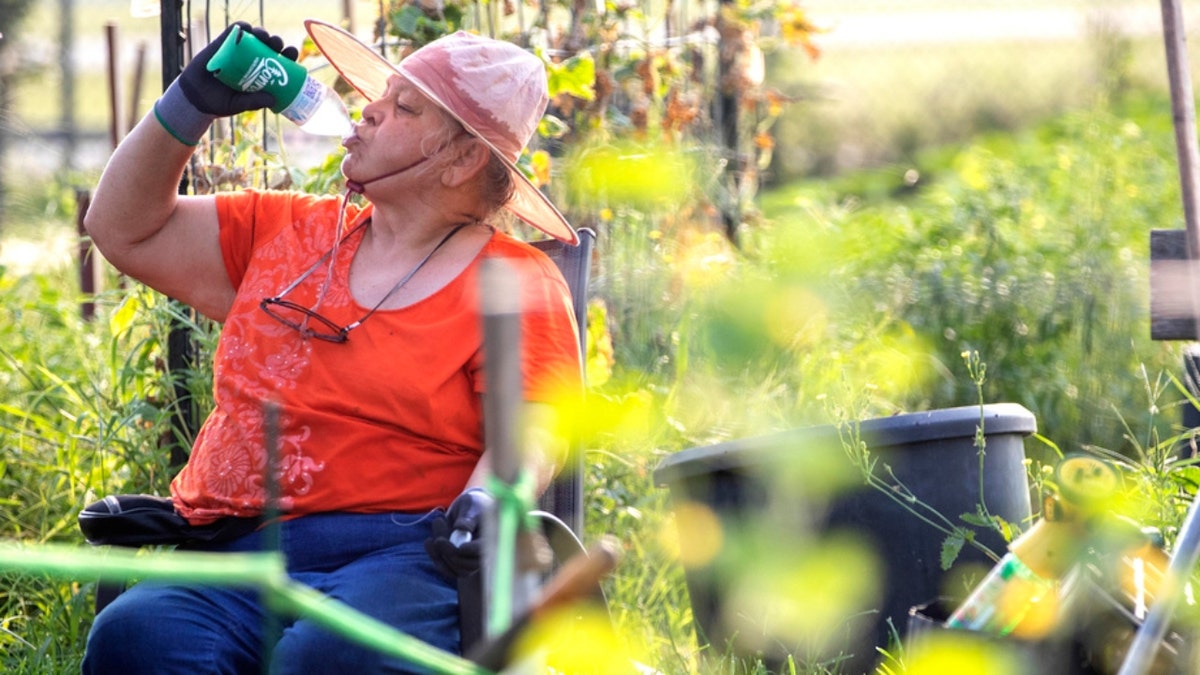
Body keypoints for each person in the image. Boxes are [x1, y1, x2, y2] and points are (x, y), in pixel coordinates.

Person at [81, 19, 582, 674]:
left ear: (462, 159)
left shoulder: (512, 280)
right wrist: (190, 101)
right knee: (138, 634)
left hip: (406, 555)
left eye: (404, 107)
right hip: (246, 548)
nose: (370, 109)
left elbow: (536, 428)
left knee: (329, 654)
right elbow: (120, 228)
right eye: (383, 96)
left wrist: (490, 500)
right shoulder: (282, 230)